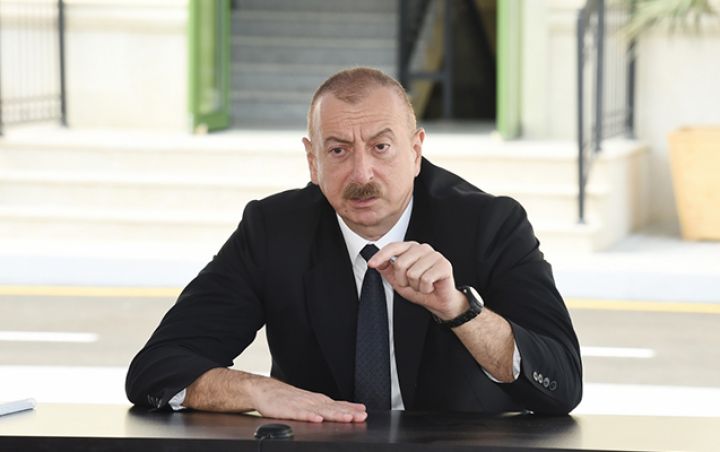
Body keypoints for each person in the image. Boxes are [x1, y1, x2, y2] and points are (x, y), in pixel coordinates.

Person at [126, 67, 582, 423]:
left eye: (381, 147)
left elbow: (561, 383)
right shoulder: (273, 230)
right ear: (313, 161)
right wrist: (255, 390)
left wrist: (460, 311)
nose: (362, 175)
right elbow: (157, 368)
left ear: (416, 151)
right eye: (339, 150)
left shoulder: (490, 225)